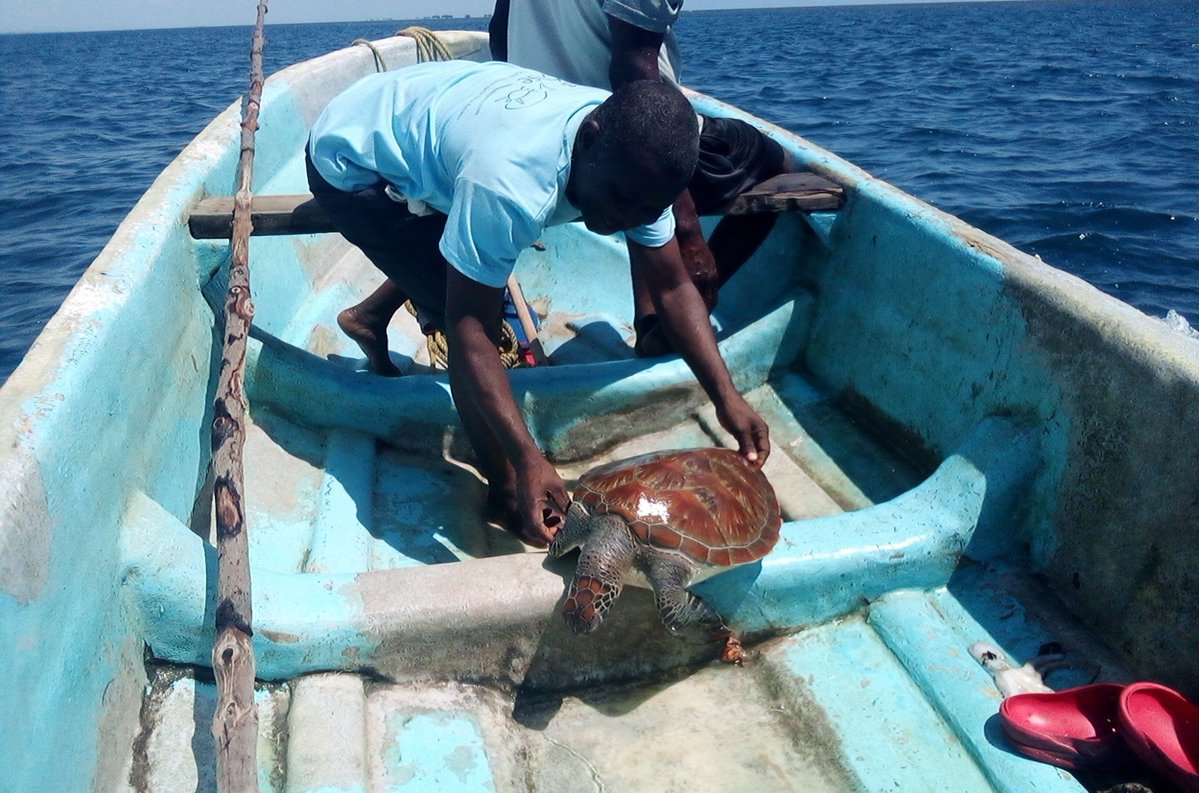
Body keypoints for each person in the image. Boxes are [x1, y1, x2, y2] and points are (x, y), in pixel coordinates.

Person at [307, 59, 771, 547]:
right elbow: (470, 333)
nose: (625, 221)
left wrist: (727, 397)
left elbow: (673, 288)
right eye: (619, 199)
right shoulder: (510, 184)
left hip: (440, 117)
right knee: (454, 307)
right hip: (352, 159)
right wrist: (526, 461)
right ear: (589, 138)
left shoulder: (640, 174)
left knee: (469, 254)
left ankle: (370, 316)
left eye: (646, 210)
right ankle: (504, 494)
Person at [491, 0, 794, 356]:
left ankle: (650, 317)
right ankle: (672, 319)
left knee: (637, 166)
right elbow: (631, 70)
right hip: (612, 148)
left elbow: (499, 32)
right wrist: (689, 235)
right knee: (777, 163)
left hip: (542, 133)